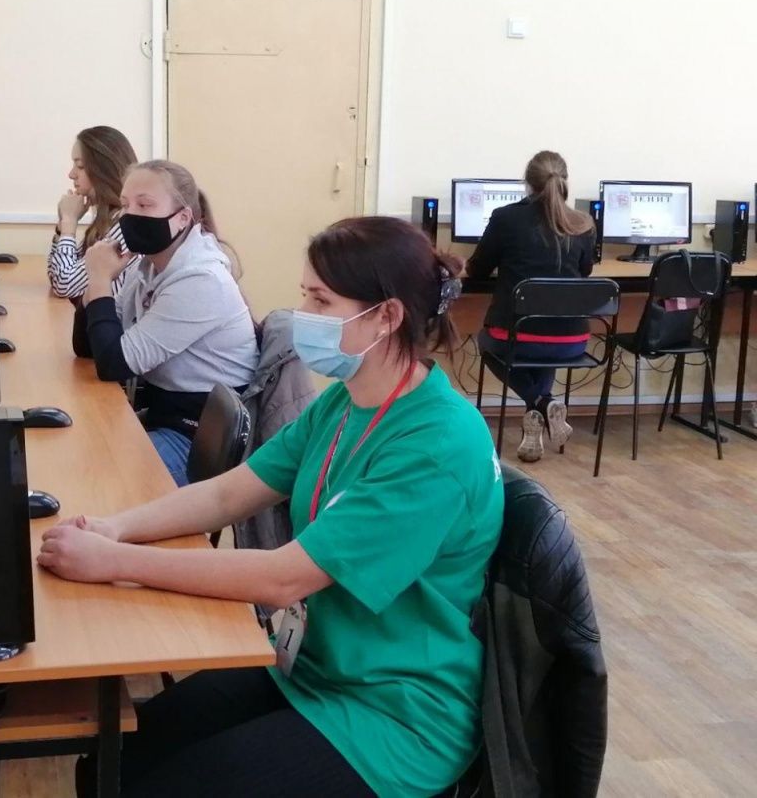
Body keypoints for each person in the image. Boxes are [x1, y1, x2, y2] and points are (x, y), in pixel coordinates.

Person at [40, 217, 504, 797]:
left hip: (392, 712)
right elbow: (232, 491)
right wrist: (116, 528)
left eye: (320, 299)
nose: (301, 312)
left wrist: (113, 562)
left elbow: (283, 579)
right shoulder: (346, 402)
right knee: (113, 765)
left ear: (387, 317)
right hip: (312, 667)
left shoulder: (436, 443)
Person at [80, 160, 258, 487]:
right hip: (162, 413)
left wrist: (100, 280)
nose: (130, 215)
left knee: (104, 482)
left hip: (193, 434)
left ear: (183, 217)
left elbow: (114, 364)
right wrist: (97, 282)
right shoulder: (149, 265)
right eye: (125, 205)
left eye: (144, 204)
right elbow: (86, 346)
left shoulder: (200, 279)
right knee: (83, 453)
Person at [466, 150, 597, 463]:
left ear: (527, 182)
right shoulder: (582, 224)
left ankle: (541, 401)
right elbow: (586, 271)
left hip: (516, 336)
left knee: (488, 344)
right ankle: (536, 425)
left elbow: (477, 270)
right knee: (546, 332)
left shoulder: (505, 218)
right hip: (572, 342)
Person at [45, 126, 139, 355]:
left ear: (102, 170)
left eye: (80, 166)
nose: (71, 175)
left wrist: (68, 223)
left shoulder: (124, 226)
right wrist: (62, 229)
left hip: (115, 345)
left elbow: (64, 283)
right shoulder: (106, 221)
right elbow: (57, 273)